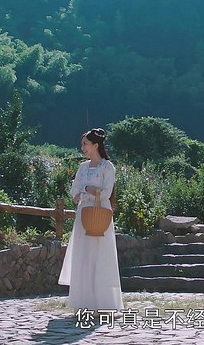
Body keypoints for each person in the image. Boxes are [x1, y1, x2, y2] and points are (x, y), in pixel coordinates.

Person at [58, 128, 124, 312]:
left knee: (101, 256)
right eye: (82, 144)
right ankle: (83, 303)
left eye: (85, 144)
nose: (83, 147)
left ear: (96, 145)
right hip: (84, 214)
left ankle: (104, 303)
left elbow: (106, 193)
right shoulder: (83, 167)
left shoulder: (107, 167)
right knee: (84, 256)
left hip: (100, 213)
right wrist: (88, 189)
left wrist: (86, 191)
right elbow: (75, 192)